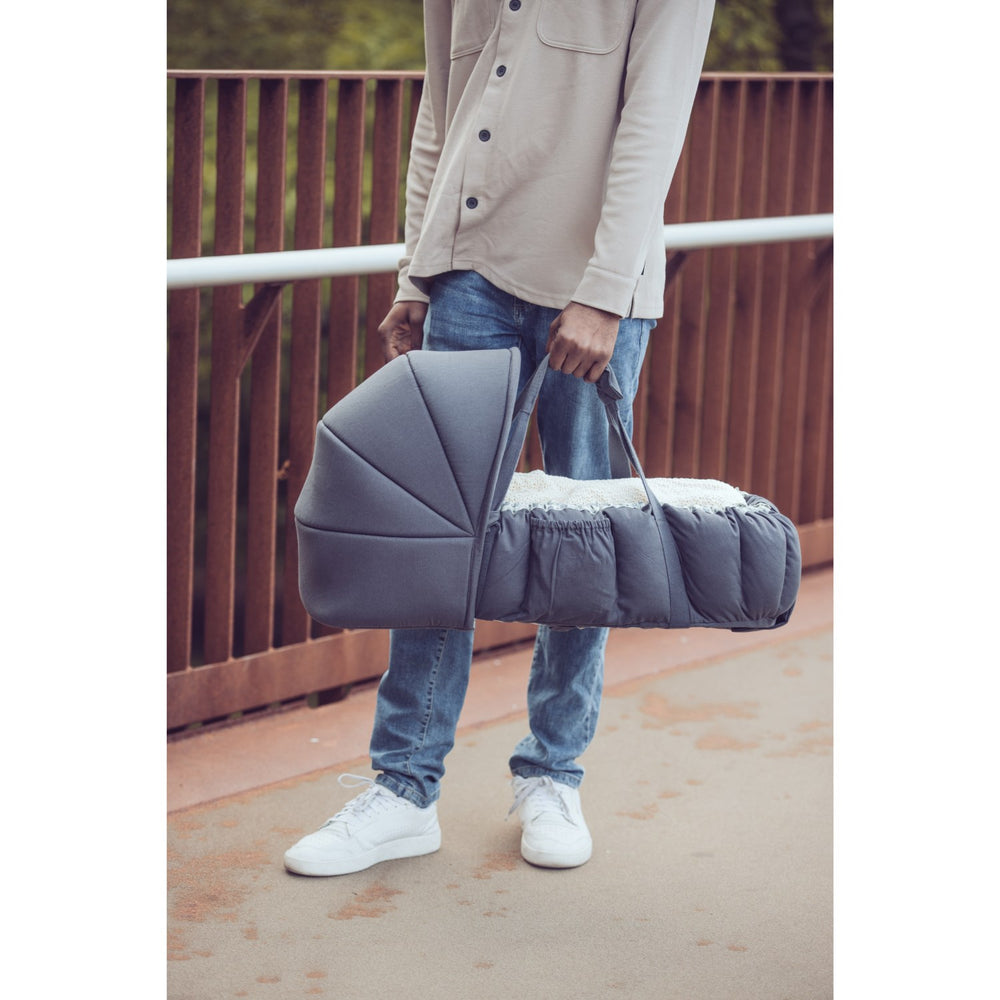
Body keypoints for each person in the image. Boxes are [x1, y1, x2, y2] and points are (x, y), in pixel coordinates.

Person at [284, 0, 715, 877]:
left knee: (586, 535)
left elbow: (656, 116)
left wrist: (605, 290)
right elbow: (441, 108)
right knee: (437, 531)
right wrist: (418, 270)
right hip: (466, 275)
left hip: (591, 286)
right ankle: (405, 789)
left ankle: (554, 772)